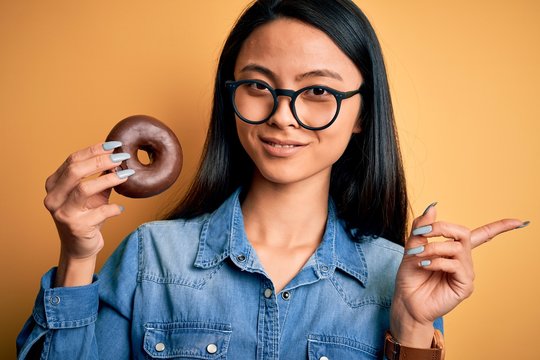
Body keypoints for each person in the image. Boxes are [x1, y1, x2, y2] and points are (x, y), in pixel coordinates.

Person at [16, 0, 528, 359]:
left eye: (317, 92)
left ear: (363, 114)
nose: (283, 116)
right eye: (259, 85)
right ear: (231, 95)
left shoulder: (401, 279)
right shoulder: (152, 257)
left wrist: (414, 327)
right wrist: (78, 257)